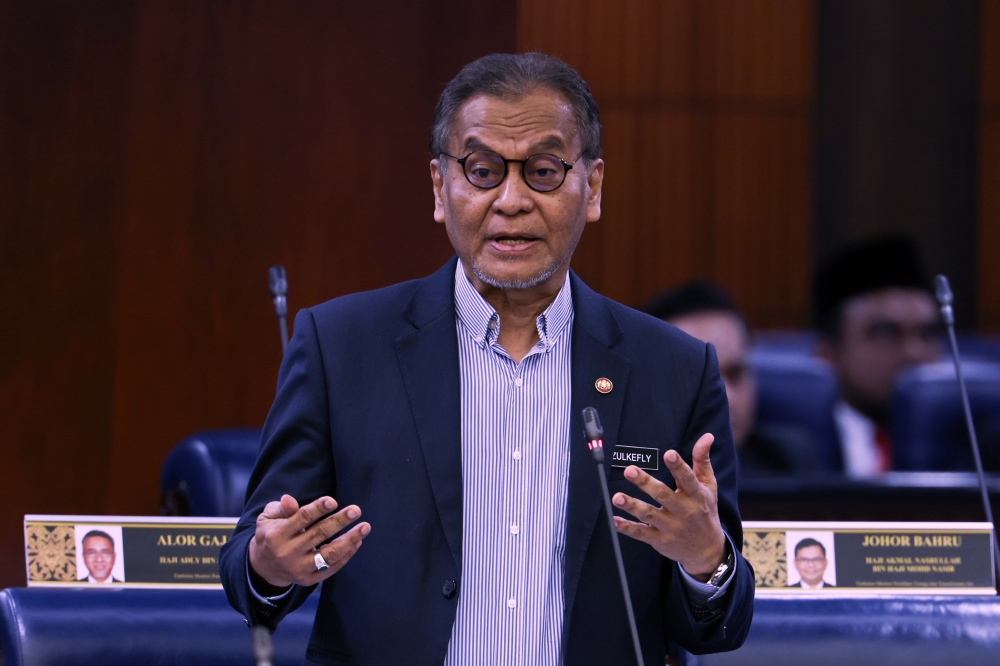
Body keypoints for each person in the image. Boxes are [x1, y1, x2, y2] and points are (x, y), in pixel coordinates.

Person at [220, 52, 753, 665]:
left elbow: (722, 626)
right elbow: (249, 580)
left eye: (545, 172)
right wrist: (271, 562)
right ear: (440, 188)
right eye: (481, 171)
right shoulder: (340, 347)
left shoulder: (677, 370)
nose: (511, 200)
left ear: (594, 186)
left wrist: (704, 558)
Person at [645, 281, 821, 476]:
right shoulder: (625, 473)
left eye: (735, 373)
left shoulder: (788, 458)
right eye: (699, 379)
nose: (727, 397)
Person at [814, 236, 942, 477]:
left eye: (926, 334)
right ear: (829, 352)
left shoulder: (975, 447)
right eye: (886, 332)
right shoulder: (790, 453)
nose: (913, 353)